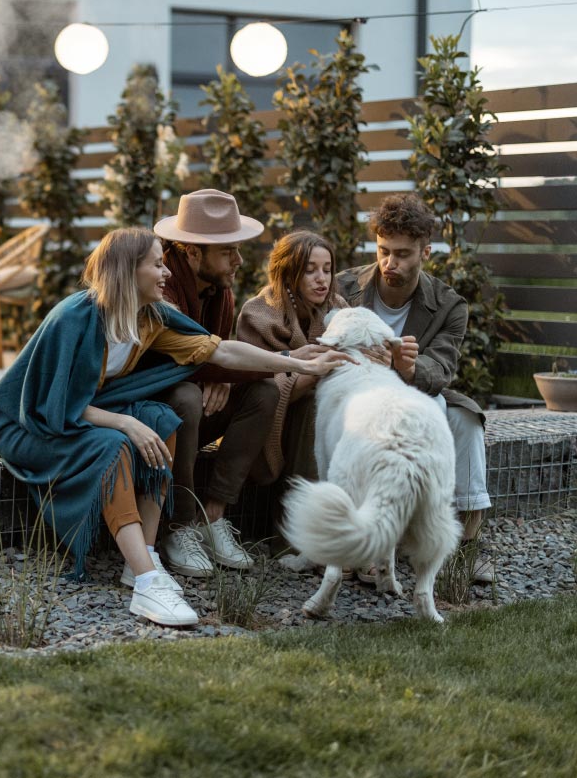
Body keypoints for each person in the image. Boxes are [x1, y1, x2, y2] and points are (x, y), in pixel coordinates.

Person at [0, 227, 351, 627]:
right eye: (157, 265)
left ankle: (142, 555)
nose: (167, 274)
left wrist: (299, 363)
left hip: (79, 415)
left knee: (161, 420)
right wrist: (125, 422)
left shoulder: (151, 318)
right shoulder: (75, 318)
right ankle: (147, 581)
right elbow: (49, 406)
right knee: (115, 445)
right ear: (128, 270)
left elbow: (222, 350)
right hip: (29, 427)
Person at [153, 191, 324, 578]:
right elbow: (187, 360)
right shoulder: (162, 290)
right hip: (151, 413)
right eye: (228, 251)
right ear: (193, 253)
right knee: (186, 397)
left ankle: (212, 516)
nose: (239, 260)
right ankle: (179, 528)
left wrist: (221, 377)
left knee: (264, 391)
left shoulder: (221, 292)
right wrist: (218, 373)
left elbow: (217, 357)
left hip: (194, 406)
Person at [335, 193, 495, 583]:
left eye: (403, 254)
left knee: (466, 419)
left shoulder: (448, 305)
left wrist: (407, 367)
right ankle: (374, 541)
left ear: (425, 251)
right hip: (355, 397)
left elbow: (441, 367)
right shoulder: (344, 287)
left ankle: (468, 545)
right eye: (383, 251)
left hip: (418, 393)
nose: (390, 263)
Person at [235, 231, 349, 485]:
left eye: (327, 270)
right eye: (310, 271)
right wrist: (313, 372)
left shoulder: (338, 308)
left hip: (337, 417)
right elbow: (258, 390)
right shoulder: (259, 315)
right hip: (272, 422)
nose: (322, 279)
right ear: (288, 273)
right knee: (312, 405)